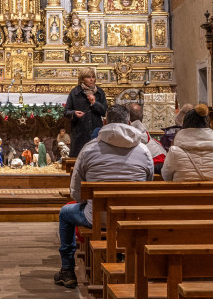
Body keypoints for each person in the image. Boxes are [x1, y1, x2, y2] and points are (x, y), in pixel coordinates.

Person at [54, 105, 153, 289]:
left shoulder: (89, 149)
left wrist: (90, 203)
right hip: (131, 218)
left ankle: (67, 270)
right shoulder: (144, 151)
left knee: (65, 213)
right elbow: (147, 188)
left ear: (105, 122)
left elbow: (76, 193)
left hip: (97, 218)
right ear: (129, 123)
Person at [161, 105, 213, 181]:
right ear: (208, 124)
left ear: (185, 124)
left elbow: (166, 176)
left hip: (182, 192)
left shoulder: (174, 151)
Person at [65, 67, 107, 146]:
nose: (92, 79)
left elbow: (105, 112)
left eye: (93, 77)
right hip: (79, 134)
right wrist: (74, 113)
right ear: (82, 79)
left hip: (96, 133)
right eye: (88, 77)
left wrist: (94, 103)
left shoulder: (100, 92)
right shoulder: (75, 92)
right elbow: (66, 111)